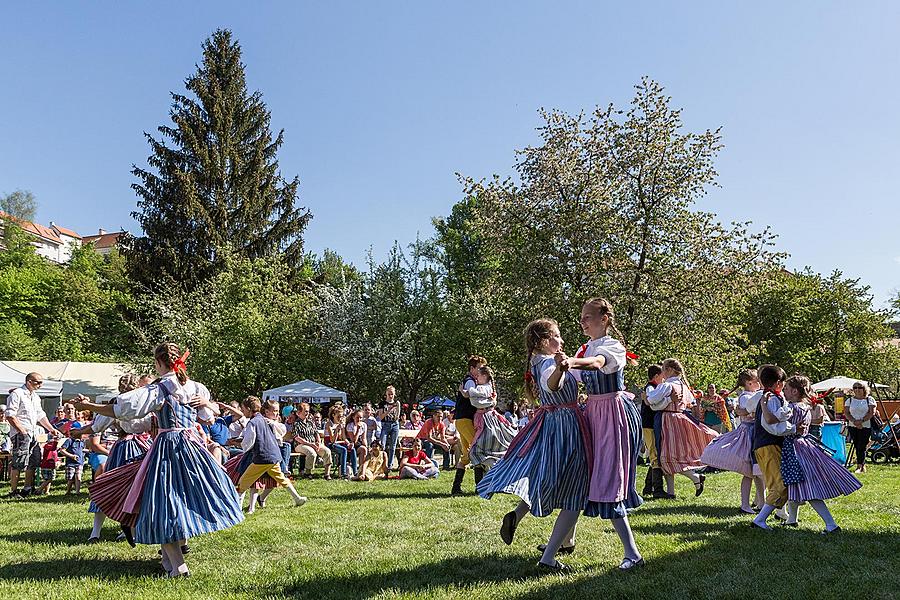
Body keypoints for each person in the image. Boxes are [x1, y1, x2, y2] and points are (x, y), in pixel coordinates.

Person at [75, 343, 243, 577]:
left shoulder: (161, 388)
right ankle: (168, 561)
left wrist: (88, 407)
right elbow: (208, 420)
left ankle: (178, 566)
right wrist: (209, 406)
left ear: (158, 362)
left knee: (163, 503)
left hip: (169, 448)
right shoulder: (196, 387)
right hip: (193, 446)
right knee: (183, 499)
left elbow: (124, 409)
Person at [477, 319, 590, 573]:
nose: (561, 341)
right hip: (565, 426)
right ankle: (548, 558)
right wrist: (561, 369)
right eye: (557, 336)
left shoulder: (539, 361)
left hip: (554, 423)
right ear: (543, 341)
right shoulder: (549, 363)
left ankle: (553, 534)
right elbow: (553, 383)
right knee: (574, 489)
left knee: (550, 478)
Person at [563, 298, 644, 571]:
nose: (582, 321)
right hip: (593, 413)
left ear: (604, 318)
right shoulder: (584, 347)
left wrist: (572, 361)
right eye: (582, 317)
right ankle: (565, 539)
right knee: (584, 473)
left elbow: (598, 363)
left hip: (612, 414)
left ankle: (632, 553)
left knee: (609, 479)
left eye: (588, 316)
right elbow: (566, 379)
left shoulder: (612, 347)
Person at [780, 376, 861, 532]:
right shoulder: (805, 406)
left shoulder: (793, 408)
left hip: (796, 448)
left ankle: (831, 524)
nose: (785, 392)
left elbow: (783, 427)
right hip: (804, 446)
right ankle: (792, 519)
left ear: (795, 391)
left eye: (787, 389)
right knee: (794, 484)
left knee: (807, 487)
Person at [647, 359, 717, 499]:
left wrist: (653, 400)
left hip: (667, 420)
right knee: (672, 455)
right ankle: (675, 489)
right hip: (680, 418)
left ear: (670, 370)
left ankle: (693, 478)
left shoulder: (667, 385)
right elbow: (690, 403)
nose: (662, 372)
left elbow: (652, 400)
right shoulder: (683, 386)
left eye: (664, 369)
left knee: (667, 455)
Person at [700, 369, 766, 513]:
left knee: (756, 472)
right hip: (748, 433)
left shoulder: (751, 395)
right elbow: (749, 408)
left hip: (754, 431)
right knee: (749, 472)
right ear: (749, 383)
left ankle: (761, 503)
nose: (759, 383)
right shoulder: (746, 396)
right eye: (757, 381)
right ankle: (745, 504)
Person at [235, 396, 307, 514]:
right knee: (282, 479)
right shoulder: (265, 420)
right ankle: (297, 498)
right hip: (274, 456)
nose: (242, 412)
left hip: (262, 458)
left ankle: (236, 508)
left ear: (249, 409)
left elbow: (249, 441)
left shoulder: (253, 422)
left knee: (242, 482)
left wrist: (242, 446)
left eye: (243, 409)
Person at [5, 372, 62, 498]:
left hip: (33, 433)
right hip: (21, 433)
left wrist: (51, 429)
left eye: (41, 382)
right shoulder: (17, 394)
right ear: (29, 382)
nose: (40, 385)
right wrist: (22, 431)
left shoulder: (35, 397)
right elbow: (10, 415)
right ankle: (13, 491)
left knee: (33, 461)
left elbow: (41, 415)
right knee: (18, 462)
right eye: (38, 382)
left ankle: (27, 488)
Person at [751, 364, 793, 530]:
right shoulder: (772, 398)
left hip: (766, 445)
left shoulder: (767, 397)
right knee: (779, 484)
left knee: (779, 483)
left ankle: (780, 513)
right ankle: (760, 520)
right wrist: (794, 428)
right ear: (778, 383)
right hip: (768, 445)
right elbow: (772, 425)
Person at [468, 365, 517, 478]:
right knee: (490, 447)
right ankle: (492, 472)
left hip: (486, 420)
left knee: (477, 449)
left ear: (485, 376)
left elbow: (476, 400)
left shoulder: (482, 387)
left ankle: (490, 470)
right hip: (490, 418)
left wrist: (468, 391)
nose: (477, 378)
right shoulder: (489, 387)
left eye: (479, 375)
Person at [451, 356, 489, 495]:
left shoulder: (471, 381)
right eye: (479, 368)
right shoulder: (469, 382)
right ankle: (480, 488)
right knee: (477, 449)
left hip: (462, 420)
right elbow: (471, 395)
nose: (481, 370)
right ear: (472, 369)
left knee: (467, 455)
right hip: (465, 419)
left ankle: (456, 488)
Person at [641, 364, 665, 498]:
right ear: (656, 376)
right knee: (654, 454)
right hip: (648, 425)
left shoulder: (655, 387)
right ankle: (658, 489)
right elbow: (652, 402)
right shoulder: (650, 388)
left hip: (651, 425)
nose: (663, 379)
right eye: (662, 376)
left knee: (654, 454)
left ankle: (648, 487)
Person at [292, 402, 333, 479]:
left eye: (308, 411)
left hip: (313, 443)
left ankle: (327, 474)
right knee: (311, 453)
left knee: (327, 451)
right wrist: (310, 444)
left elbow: (316, 433)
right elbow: (297, 437)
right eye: (305, 411)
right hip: (300, 445)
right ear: (299, 412)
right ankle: (308, 473)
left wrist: (318, 442)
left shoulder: (311, 422)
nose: (307, 413)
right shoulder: (296, 423)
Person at [844, 382, 876, 473]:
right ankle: (862, 465)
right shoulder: (849, 400)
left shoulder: (869, 399)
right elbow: (846, 413)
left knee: (861, 445)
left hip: (866, 426)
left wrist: (861, 421)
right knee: (856, 445)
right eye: (855, 387)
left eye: (859, 387)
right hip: (852, 426)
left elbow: (871, 413)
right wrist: (854, 421)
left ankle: (860, 466)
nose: (857, 389)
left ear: (864, 389)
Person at [325, 405, 354, 479]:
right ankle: (343, 473)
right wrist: (337, 430)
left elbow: (344, 438)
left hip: (338, 443)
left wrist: (349, 443)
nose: (340, 418)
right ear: (333, 415)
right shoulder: (329, 424)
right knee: (343, 450)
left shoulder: (341, 424)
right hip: (330, 444)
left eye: (341, 416)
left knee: (352, 449)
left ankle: (355, 471)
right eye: (338, 416)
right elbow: (332, 440)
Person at [378, 386, 401, 472]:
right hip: (385, 424)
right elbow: (380, 417)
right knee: (382, 444)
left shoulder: (397, 403)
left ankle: (390, 465)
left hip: (394, 424)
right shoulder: (382, 404)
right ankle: (381, 463)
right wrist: (388, 410)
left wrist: (397, 408)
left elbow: (397, 416)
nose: (390, 396)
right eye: (389, 394)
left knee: (393, 446)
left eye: (392, 394)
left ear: (394, 394)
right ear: (386, 394)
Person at [59, 427, 86, 494]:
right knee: (70, 478)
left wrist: (89, 451)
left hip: (79, 462)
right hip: (70, 463)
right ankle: (68, 491)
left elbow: (82, 450)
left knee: (78, 476)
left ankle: (78, 492)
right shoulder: (69, 441)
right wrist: (71, 456)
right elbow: (62, 450)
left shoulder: (82, 442)